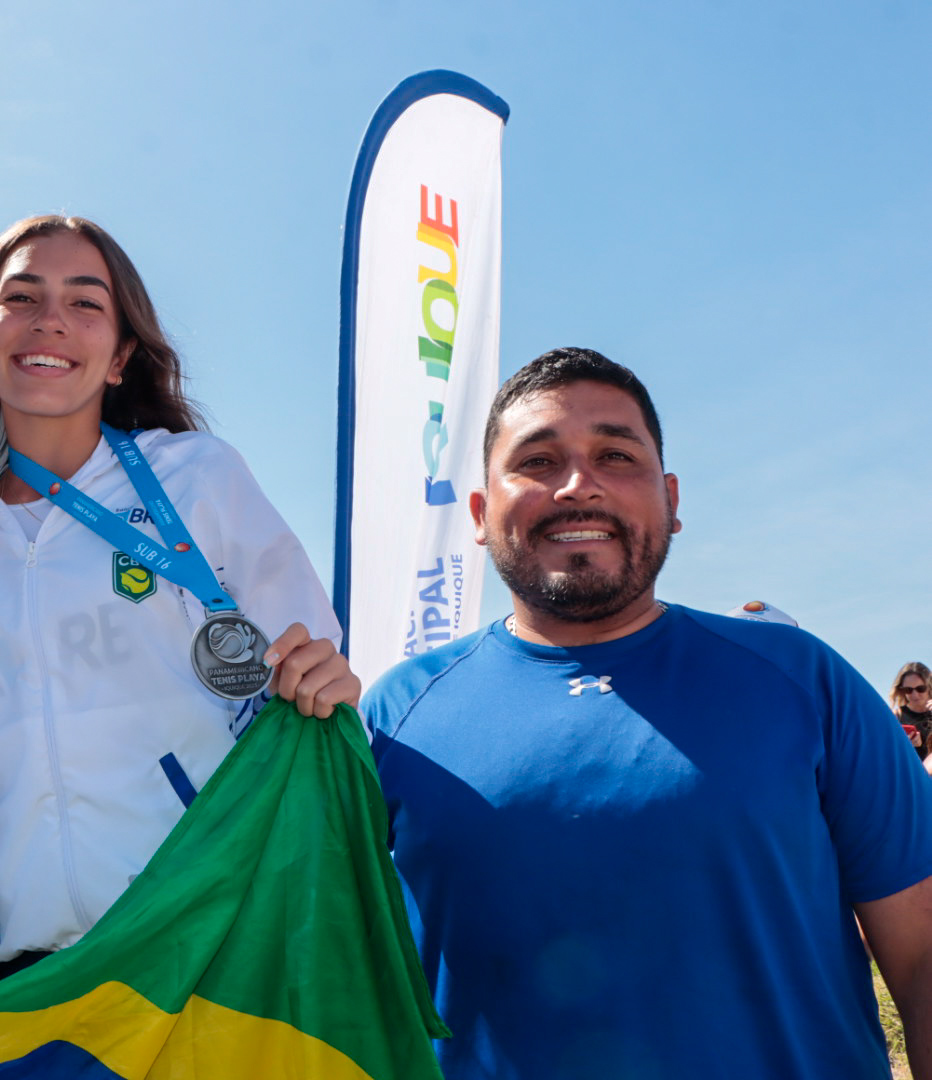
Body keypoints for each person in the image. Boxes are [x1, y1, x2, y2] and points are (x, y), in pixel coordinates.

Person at [362, 347, 932, 1079]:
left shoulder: (802, 679)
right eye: (537, 461)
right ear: (479, 512)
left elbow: (920, 956)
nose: (577, 486)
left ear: (670, 500)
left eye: (615, 455)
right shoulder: (395, 714)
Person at [0, 216, 355, 976]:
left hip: (206, 943)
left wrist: (326, 679)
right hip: (23, 975)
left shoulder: (197, 477)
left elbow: (312, 670)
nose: (50, 323)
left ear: (120, 356)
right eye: (23, 297)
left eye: (85, 304)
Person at [891, 662, 932, 761]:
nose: (915, 694)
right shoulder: (896, 716)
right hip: (911, 773)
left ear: (929, 686)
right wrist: (906, 745)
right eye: (908, 690)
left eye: (920, 689)